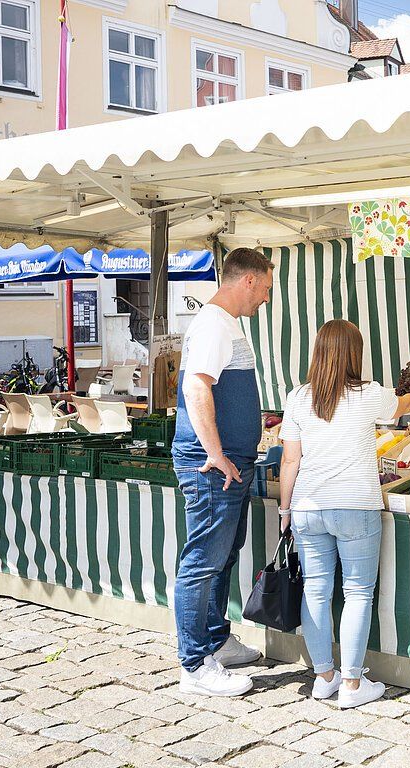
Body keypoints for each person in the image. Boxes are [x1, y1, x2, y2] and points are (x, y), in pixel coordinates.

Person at [278, 320, 410, 708]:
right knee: (357, 594)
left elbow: (289, 460)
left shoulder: (298, 397)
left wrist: (285, 509)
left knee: (316, 591)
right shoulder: (369, 394)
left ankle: (323, 678)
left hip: (308, 506)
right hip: (356, 506)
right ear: (355, 354)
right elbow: (404, 404)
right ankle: (351, 683)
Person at [172, 247, 273, 697]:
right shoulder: (213, 324)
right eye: (265, 288)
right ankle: (195, 664)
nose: (266, 298)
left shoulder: (224, 323)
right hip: (213, 465)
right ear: (248, 280)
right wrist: (215, 452)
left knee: (223, 556)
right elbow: (197, 387)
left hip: (230, 462)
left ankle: (216, 640)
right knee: (202, 562)